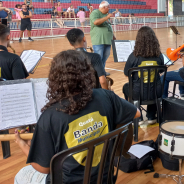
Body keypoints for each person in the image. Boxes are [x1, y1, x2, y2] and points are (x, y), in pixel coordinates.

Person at [14, 50, 140, 184]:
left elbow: (43, 168)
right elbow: (136, 113)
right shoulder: (106, 96)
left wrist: (23, 145)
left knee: (21, 175)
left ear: (55, 78)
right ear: (87, 73)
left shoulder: (50, 116)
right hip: (103, 177)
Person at [123, 26, 164, 125]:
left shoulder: (134, 56)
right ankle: (151, 115)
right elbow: (162, 70)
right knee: (152, 86)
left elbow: (126, 72)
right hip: (156, 91)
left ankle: (138, 116)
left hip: (137, 92)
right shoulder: (159, 55)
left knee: (125, 87)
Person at [90, 1, 116, 76]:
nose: (109, 9)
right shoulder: (95, 13)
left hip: (107, 40)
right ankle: (95, 74)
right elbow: (96, 22)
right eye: (109, 7)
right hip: (99, 40)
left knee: (104, 58)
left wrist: (113, 36)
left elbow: (108, 26)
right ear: (104, 7)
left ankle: (102, 72)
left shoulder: (105, 15)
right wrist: (107, 17)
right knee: (98, 58)